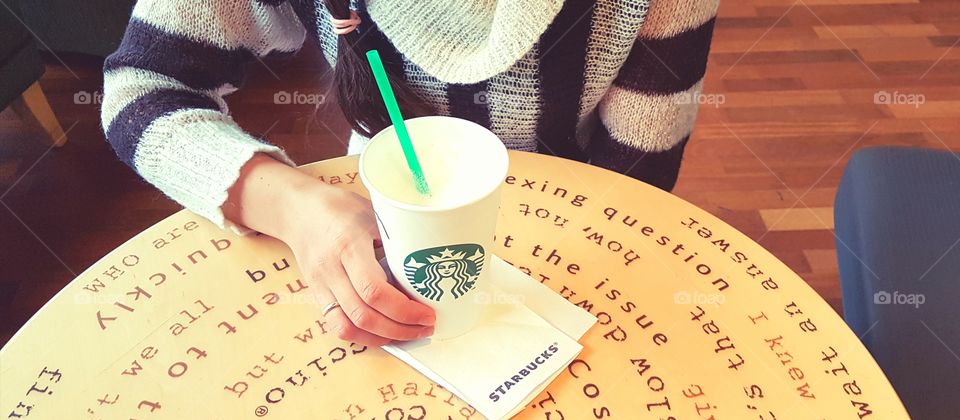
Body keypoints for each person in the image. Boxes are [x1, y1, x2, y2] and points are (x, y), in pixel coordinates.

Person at [102, 0, 719, 346]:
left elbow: (637, 175)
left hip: (576, 237)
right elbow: (141, 88)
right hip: (366, 222)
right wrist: (295, 208)